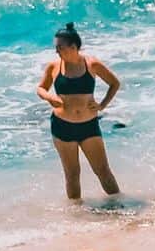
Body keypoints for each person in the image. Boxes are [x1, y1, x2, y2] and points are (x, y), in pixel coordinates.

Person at [37, 22, 122, 200]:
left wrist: (102, 105)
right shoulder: (54, 67)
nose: (57, 51)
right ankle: (77, 217)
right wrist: (50, 98)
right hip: (62, 127)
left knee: (102, 170)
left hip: (89, 126)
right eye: (56, 47)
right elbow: (40, 88)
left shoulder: (92, 64)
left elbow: (115, 83)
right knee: (72, 174)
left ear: (73, 46)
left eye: (60, 47)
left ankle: (120, 207)